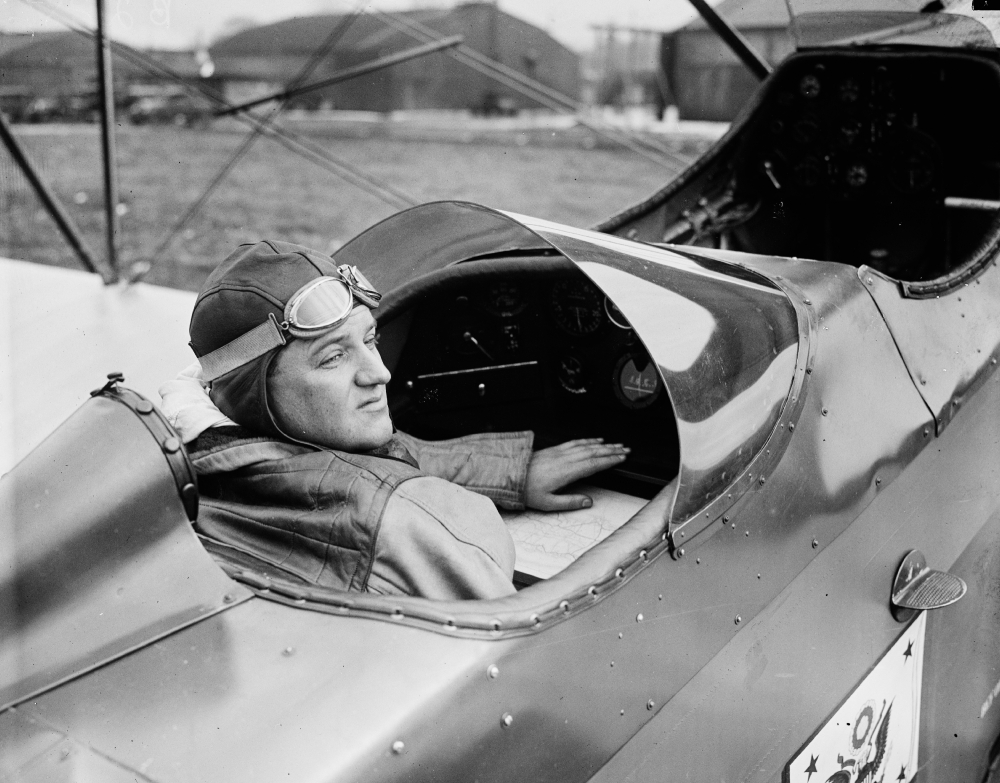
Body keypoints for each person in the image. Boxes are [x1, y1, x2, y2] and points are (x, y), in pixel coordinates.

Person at [160, 240, 632, 601]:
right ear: (253, 392)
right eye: (333, 358)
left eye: (371, 339)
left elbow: (354, 459)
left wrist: (512, 471)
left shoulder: (176, 457)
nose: (379, 373)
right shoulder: (403, 522)